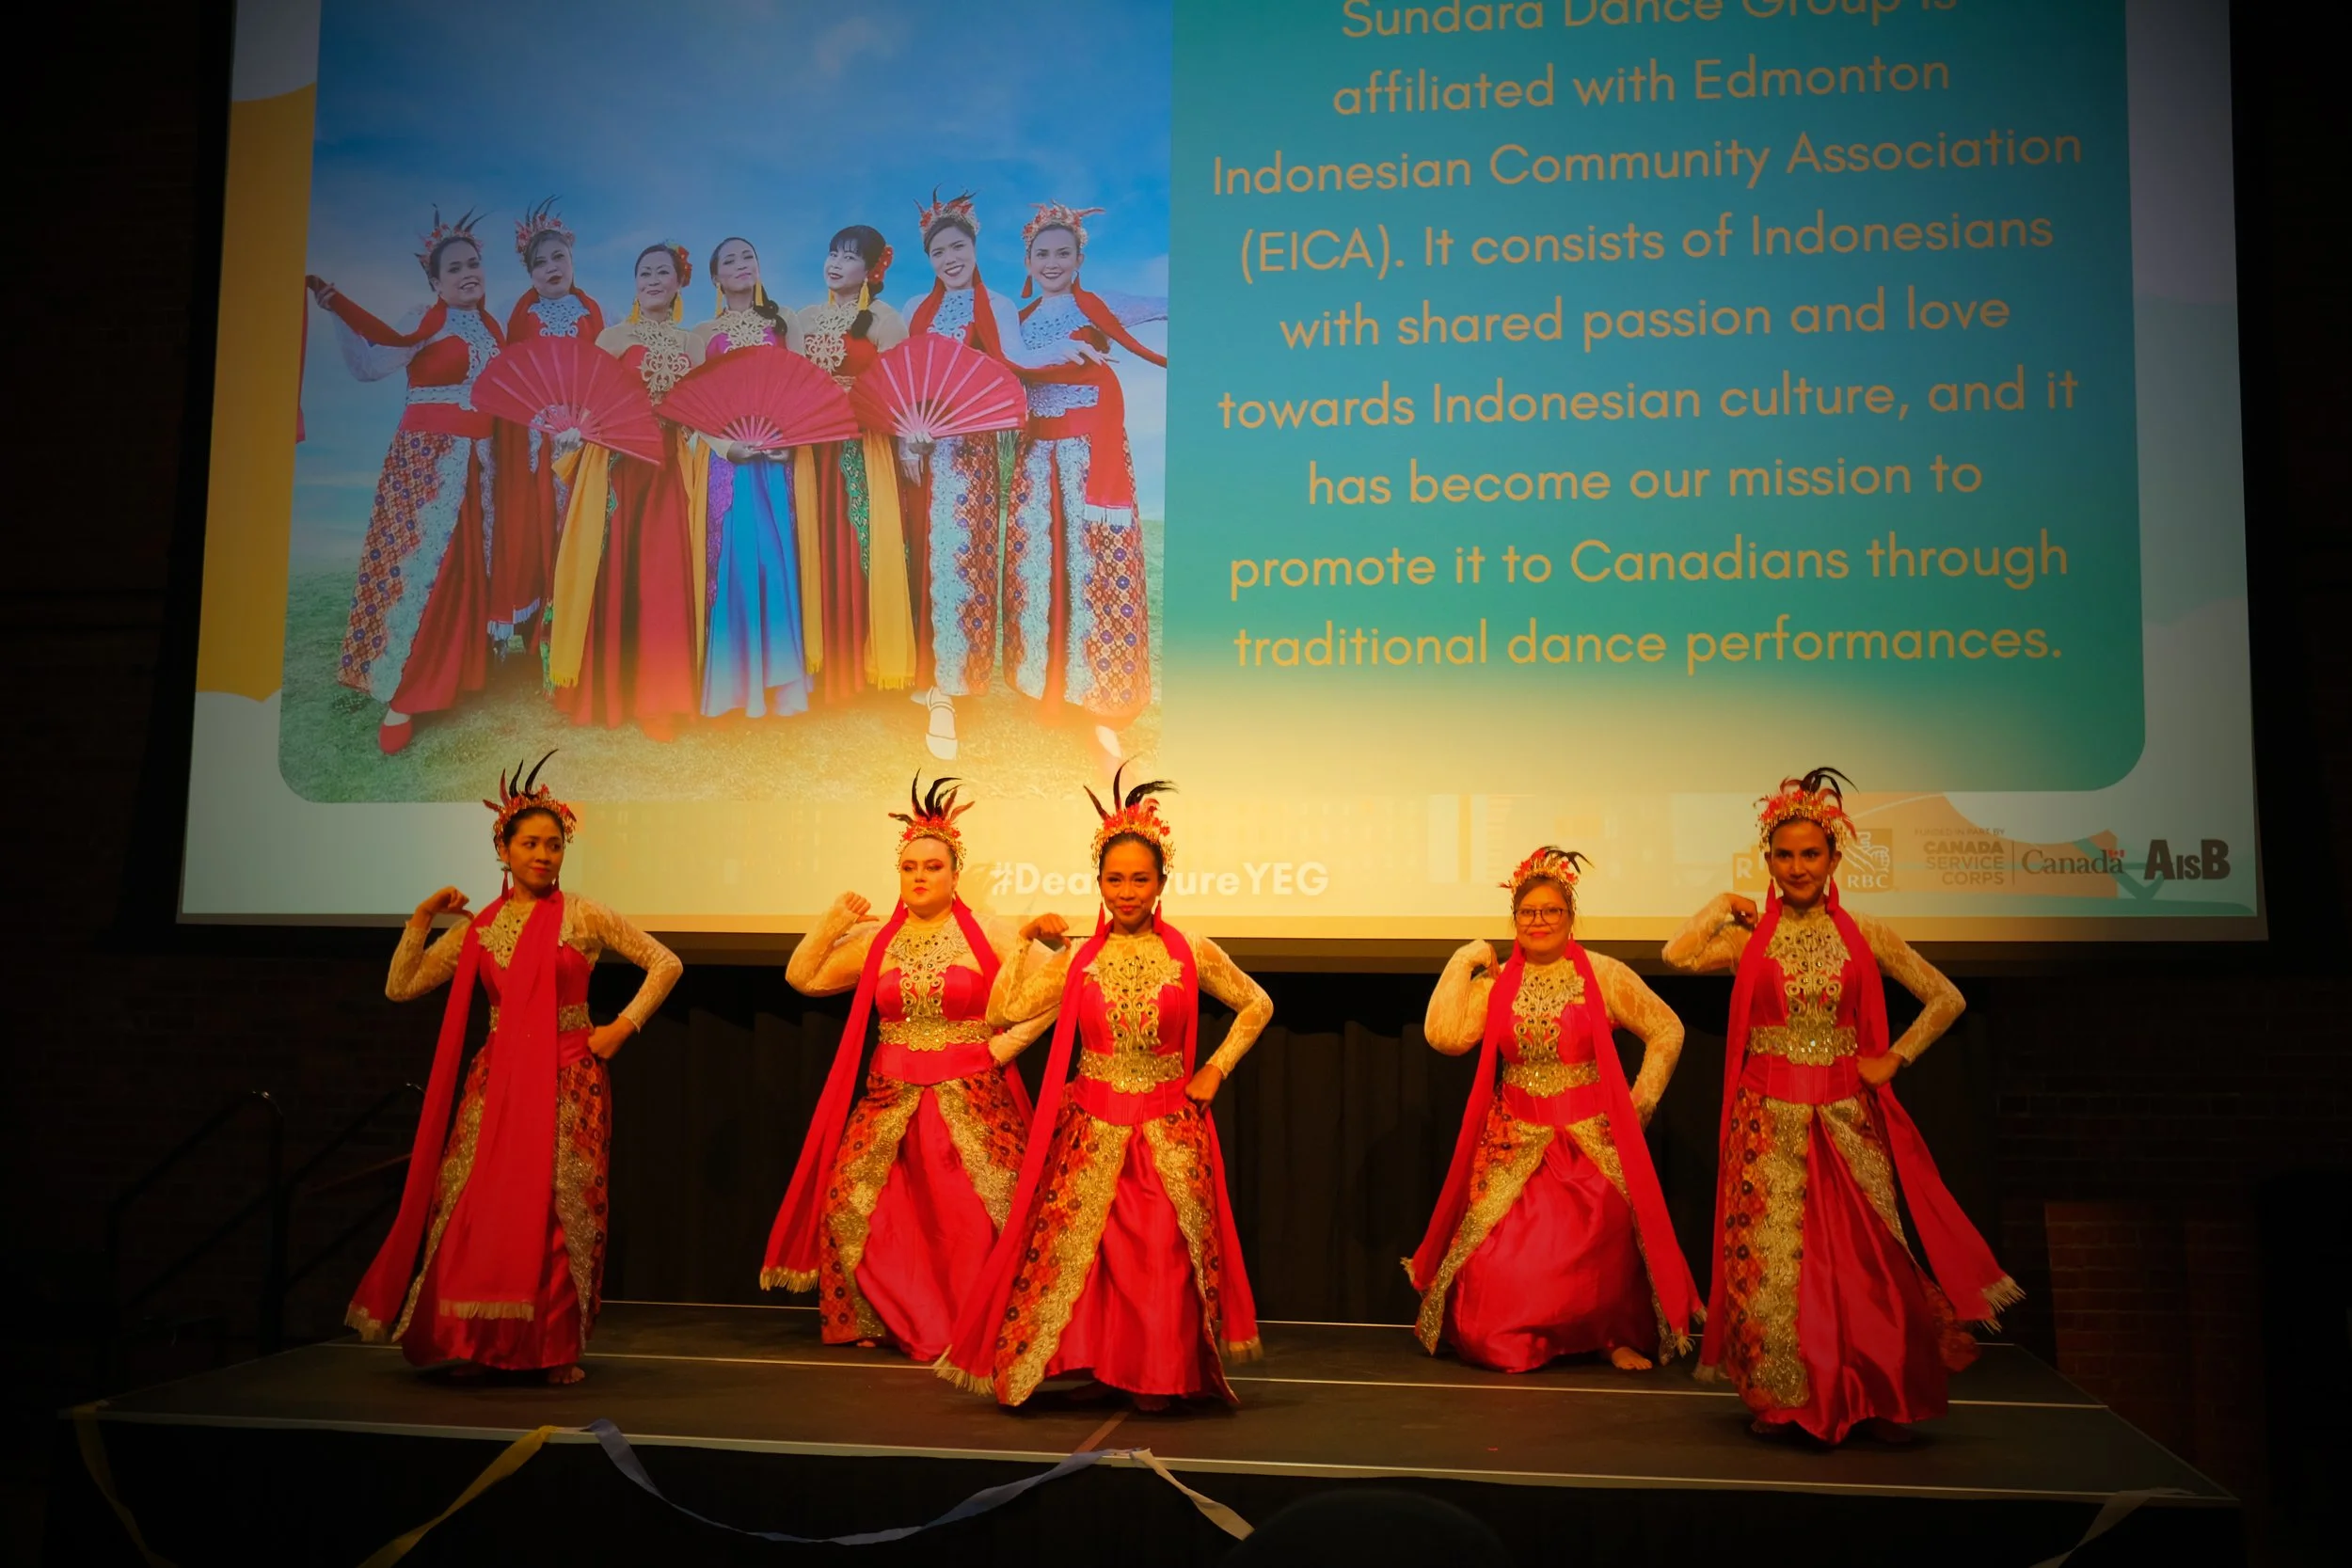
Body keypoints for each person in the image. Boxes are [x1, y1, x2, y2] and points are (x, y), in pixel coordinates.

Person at [1663, 768, 2020, 1444]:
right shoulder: (1750, 939)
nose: (1798, 867)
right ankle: (1782, 1398)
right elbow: (1676, 952)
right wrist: (1721, 902)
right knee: (1774, 1262)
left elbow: (1947, 997)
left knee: (1864, 1258)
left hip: (1845, 1114)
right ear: (1768, 859)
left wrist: (1894, 1057)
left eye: (1811, 854)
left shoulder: (1868, 934)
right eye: (1784, 855)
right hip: (1766, 1118)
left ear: (1832, 859)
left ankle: (1879, 1391)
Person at [938, 770, 1270, 1409]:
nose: (1126, 891)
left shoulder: (1191, 949)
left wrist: (1215, 1068)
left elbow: (1257, 1004)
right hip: (1089, 1125)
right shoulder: (1080, 955)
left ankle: (1158, 1374)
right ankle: (1094, 1361)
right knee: (1081, 1259)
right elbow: (1004, 1010)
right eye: (1114, 879)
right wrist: (1028, 941)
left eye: (1139, 878)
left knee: (1161, 1257)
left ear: (1162, 883)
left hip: (1167, 1127)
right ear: (1098, 883)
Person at [347, 756, 682, 1383]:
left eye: (554, 844)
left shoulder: (585, 914)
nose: (544, 854)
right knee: (475, 1204)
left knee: (559, 1207)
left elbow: (665, 963)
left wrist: (620, 1026)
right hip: (497, 1080)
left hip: (569, 1076)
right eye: (530, 843)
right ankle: (475, 1340)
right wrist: (422, 920)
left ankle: (550, 1347)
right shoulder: (481, 928)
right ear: (502, 847)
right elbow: (403, 985)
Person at [760, 777, 1052, 1360]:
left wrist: (999, 1049)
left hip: (970, 1093)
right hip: (890, 1096)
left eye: (933, 867)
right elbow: (803, 977)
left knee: (976, 1214)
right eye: (909, 867)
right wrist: (833, 920)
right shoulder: (878, 939)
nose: (919, 876)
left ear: (953, 874)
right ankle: (884, 1317)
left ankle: (977, 1320)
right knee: (856, 1204)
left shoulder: (990, 931)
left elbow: (1056, 989)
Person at [1410, 848, 1701, 1374]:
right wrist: (1467, 956)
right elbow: (1443, 1036)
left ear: (1570, 918)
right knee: (1492, 1303)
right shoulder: (1497, 983)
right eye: (1528, 913)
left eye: (1551, 911)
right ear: (1514, 921)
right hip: (1515, 1140)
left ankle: (1611, 1335)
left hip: (1589, 1140)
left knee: (1606, 1238)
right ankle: (1529, 1335)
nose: (1539, 921)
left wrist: (1641, 1103)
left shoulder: (1604, 975)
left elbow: (1667, 1029)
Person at [898, 190, 1099, 760]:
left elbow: (1017, 361)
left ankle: (953, 685)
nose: (949, 259)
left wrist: (1065, 348)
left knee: (966, 561)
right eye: (939, 252)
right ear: (930, 259)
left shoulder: (999, 304)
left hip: (974, 454)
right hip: (922, 449)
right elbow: (905, 380)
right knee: (926, 561)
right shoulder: (918, 307)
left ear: (974, 248)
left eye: (958, 247)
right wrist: (904, 438)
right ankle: (930, 678)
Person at [307, 209, 505, 755]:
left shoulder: (493, 329)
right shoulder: (425, 320)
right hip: (426, 460)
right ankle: (404, 695)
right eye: (455, 268)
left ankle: (456, 677)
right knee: (423, 572)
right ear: (436, 282)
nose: (468, 274)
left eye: (474, 265)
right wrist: (340, 311)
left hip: (479, 463)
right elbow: (372, 363)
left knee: (467, 570)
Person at [1004, 202, 1167, 762]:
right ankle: (1050, 688)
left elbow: (1164, 310)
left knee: (1095, 568)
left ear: (1079, 259)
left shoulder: (1097, 307)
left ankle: (1102, 707)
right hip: (1034, 458)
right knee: (1041, 569)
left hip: (1088, 455)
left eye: (1063, 253)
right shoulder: (1016, 321)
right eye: (1042, 254)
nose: (1052, 262)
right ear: (1028, 260)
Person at [545, 243, 705, 741]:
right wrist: (573, 430)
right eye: (644, 273)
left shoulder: (693, 343)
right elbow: (585, 397)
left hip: (668, 466)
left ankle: (660, 698)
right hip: (615, 466)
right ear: (635, 283)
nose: (653, 280)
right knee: (610, 571)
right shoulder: (614, 337)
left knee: (662, 575)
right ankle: (607, 688)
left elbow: (702, 408)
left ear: (680, 283)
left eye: (664, 272)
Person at [793, 224, 918, 703]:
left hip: (864, 446)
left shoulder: (885, 320)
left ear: (871, 269)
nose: (835, 263)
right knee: (814, 543)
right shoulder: (803, 318)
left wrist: (906, 443)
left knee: (860, 545)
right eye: (831, 253)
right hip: (813, 446)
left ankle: (863, 662)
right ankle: (817, 659)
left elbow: (898, 388)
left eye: (848, 257)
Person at [691, 236, 809, 721]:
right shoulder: (703, 333)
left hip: (775, 462)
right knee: (736, 564)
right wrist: (726, 447)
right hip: (729, 462)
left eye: (749, 257)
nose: (742, 266)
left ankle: (782, 685)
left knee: (775, 562)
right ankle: (734, 687)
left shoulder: (784, 323)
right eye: (729, 261)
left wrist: (791, 440)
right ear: (716, 278)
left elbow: (804, 388)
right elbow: (695, 405)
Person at [491, 199, 606, 655]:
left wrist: (586, 423)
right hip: (532, 440)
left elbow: (608, 375)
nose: (551, 268)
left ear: (573, 260)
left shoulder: (599, 312)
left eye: (559, 257)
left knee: (577, 525)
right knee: (534, 527)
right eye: (539, 263)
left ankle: (577, 626)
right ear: (528, 272)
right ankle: (537, 631)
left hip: (585, 438)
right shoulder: (514, 316)